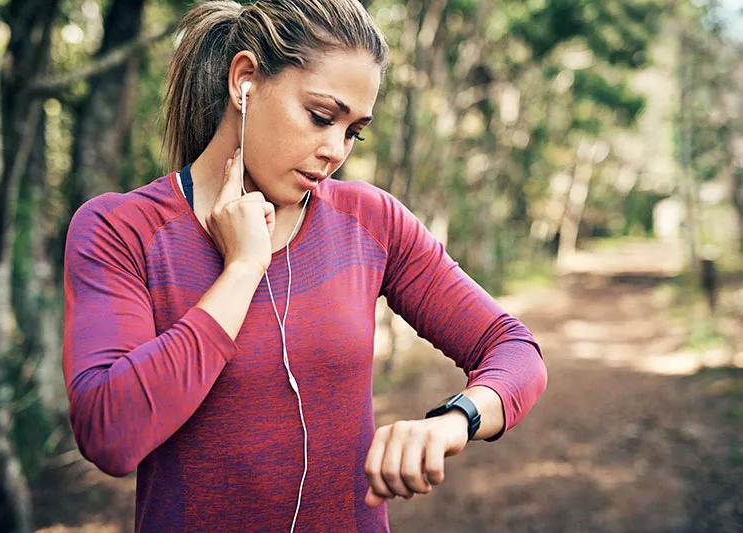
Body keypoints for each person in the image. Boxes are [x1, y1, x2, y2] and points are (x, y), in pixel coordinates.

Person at [61, 1, 548, 531]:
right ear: (244, 80)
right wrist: (243, 269)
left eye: (353, 131)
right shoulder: (120, 229)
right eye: (321, 117)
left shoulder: (370, 221)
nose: (336, 150)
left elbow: (513, 349)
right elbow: (110, 433)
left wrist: (456, 421)